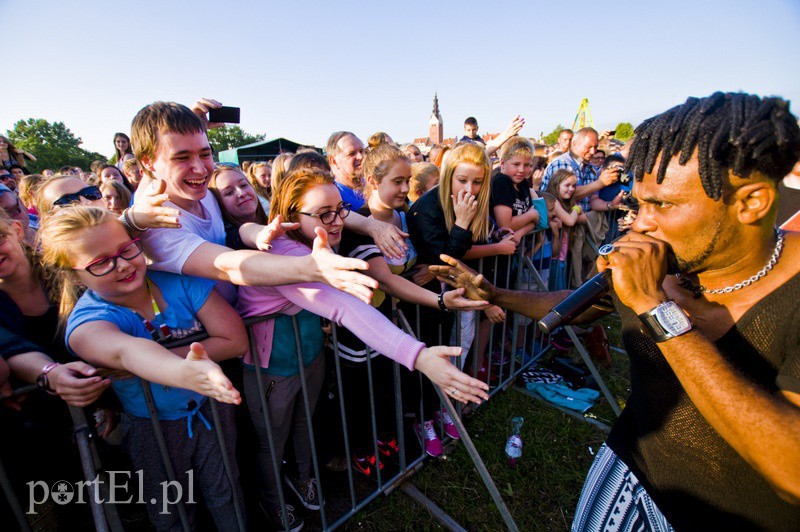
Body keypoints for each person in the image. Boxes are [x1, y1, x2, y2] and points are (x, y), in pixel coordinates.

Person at [432, 92, 800, 531]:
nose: (641, 223)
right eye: (638, 203)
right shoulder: (668, 261)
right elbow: (582, 307)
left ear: (751, 202)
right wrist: (495, 292)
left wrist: (655, 307)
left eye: (661, 205)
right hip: (630, 473)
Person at [227, 167, 488, 525]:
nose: (337, 222)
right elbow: (344, 307)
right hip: (271, 366)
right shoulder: (283, 253)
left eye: (339, 210)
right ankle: (272, 500)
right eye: (324, 214)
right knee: (270, 441)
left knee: (304, 426)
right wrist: (419, 355)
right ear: (289, 217)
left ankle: (303, 481)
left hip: (309, 356)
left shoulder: (315, 242)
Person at [40, 206, 246, 531]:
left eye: (126, 250)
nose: (122, 265)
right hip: (150, 427)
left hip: (210, 412)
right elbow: (127, 351)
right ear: (72, 273)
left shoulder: (177, 282)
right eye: (100, 263)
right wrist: (185, 371)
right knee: (169, 508)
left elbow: (234, 340)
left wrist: (167, 365)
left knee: (226, 490)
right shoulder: (86, 324)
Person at [129, 100, 393, 305]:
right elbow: (228, 265)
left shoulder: (200, 192)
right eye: (181, 157)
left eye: (205, 153)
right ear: (147, 163)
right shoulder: (158, 222)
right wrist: (310, 267)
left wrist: (371, 226)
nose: (199, 169)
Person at [326, 131, 367, 209]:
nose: (361, 156)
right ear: (334, 161)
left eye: (361, 151)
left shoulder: (374, 185)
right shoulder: (334, 197)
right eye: (351, 154)